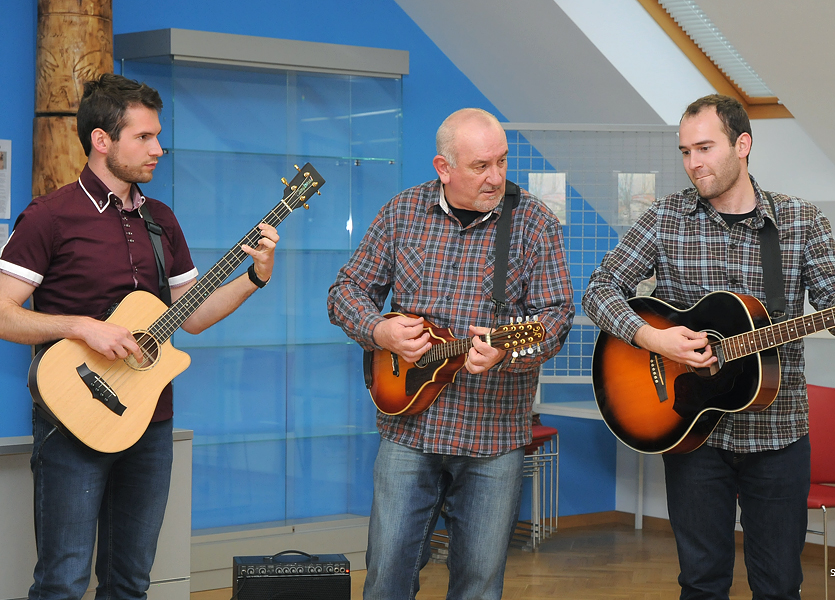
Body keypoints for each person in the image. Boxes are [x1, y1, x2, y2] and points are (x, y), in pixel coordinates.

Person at [582, 94, 835, 600]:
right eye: (685, 151)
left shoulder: (801, 219)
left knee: (780, 585)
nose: (693, 163)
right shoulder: (665, 218)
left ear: (742, 145)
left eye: (704, 148)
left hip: (778, 433)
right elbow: (599, 288)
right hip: (690, 430)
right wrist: (654, 337)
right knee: (701, 583)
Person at [0, 73, 280, 600]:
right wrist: (80, 326)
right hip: (73, 421)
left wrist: (255, 277)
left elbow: (191, 315)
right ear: (101, 140)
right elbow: (2, 313)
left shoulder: (162, 220)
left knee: (131, 582)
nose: (158, 149)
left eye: (158, 136)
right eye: (144, 137)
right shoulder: (49, 216)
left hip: (151, 422)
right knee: (62, 582)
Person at [327, 107, 574, 600]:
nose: (496, 177)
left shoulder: (534, 223)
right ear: (444, 168)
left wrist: (507, 354)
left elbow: (556, 317)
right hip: (408, 428)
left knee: (478, 585)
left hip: (492, 433)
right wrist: (381, 330)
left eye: (502, 161)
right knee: (386, 577)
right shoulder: (402, 212)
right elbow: (345, 292)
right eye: (481, 166)